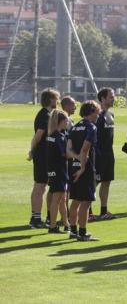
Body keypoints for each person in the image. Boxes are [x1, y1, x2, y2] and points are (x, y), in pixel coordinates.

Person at [67, 100, 101, 241]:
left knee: (75, 201)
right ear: (92, 111)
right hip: (84, 169)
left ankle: (73, 231)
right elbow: (85, 149)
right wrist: (82, 167)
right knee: (86, 202)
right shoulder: (91, 127)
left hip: (72, 166)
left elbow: (69, 150)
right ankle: (82, 232)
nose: (98, 115)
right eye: (97, 112)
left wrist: (76, 160)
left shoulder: (74, 127)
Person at [28, 88, 60, 228]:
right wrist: (32, 151)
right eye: (56, 98)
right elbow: (38, 135)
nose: (57, 101)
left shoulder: (49, 114)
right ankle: (35, 218)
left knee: (45, 185)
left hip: (47, 155)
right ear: (50, 100)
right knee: (40, 186)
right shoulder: (44, 115)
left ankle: (45, 217)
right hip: (42, 156)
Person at [46, 110, 70, 233]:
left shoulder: (52, 135)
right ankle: (53, 226)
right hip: (59, 170)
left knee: (62, 198)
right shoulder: (59, 137)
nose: (68, 122)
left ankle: (66, 224)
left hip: (53, 170)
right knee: (57, 199)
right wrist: (77, 155)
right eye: (66, 120)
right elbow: (65, 154)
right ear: (60, 122)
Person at [95, 88, 116, 220]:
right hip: (98, 153)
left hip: (109, 153)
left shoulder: (111, 114)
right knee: (93, 182)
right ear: (102, 99)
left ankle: (103, 210)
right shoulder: (96, 115)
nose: (113, 99)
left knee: (106, 181)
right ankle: (87, 211)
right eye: (111, 97)